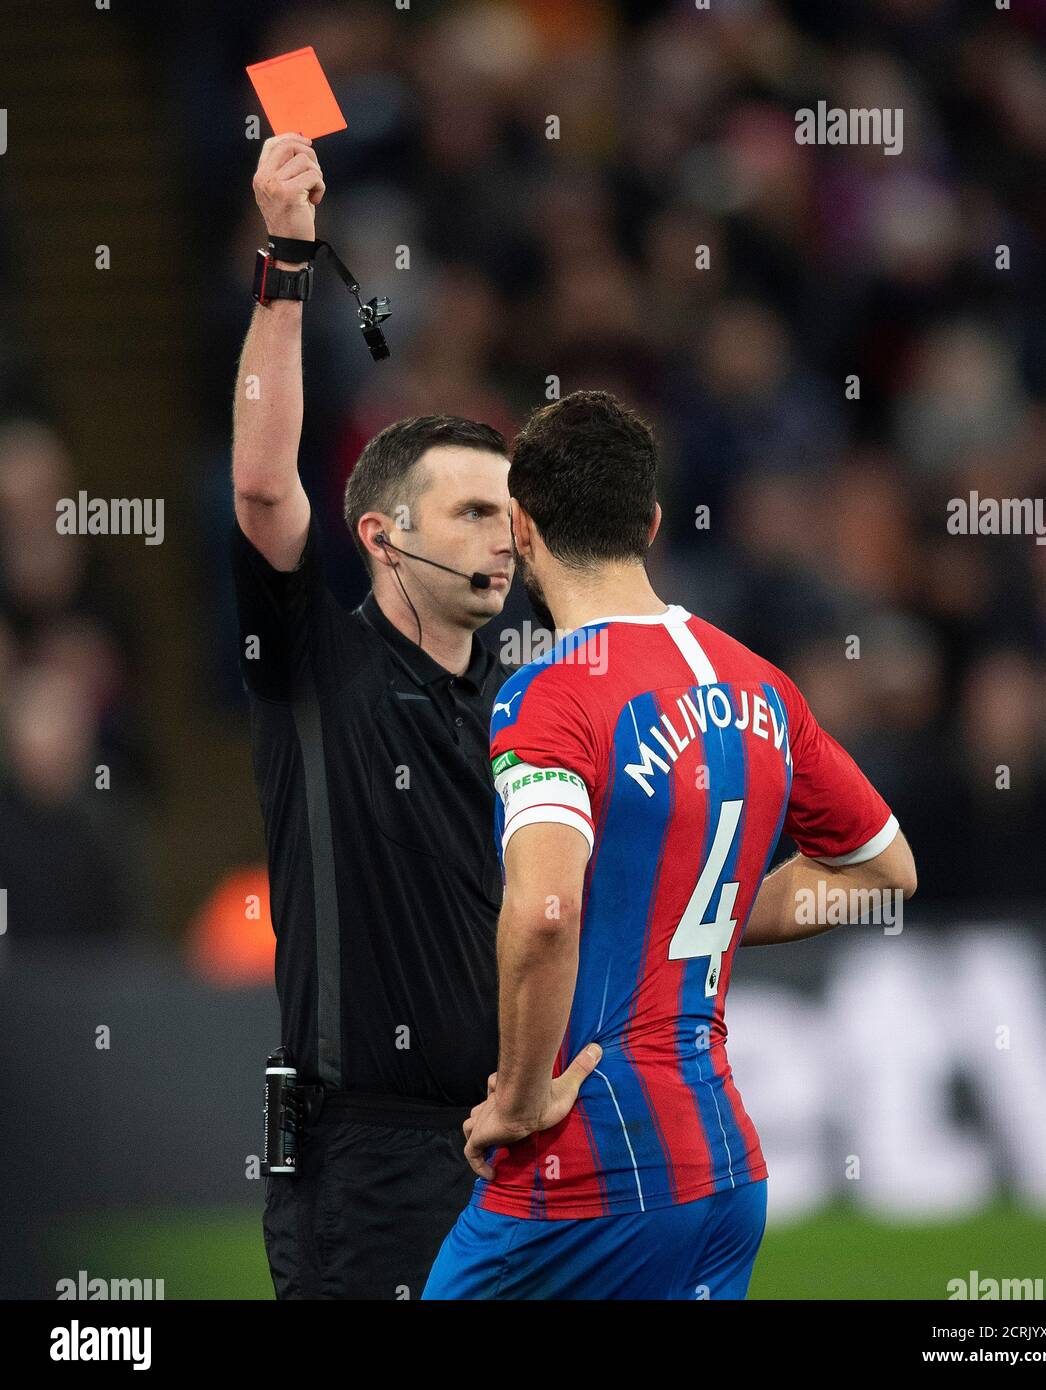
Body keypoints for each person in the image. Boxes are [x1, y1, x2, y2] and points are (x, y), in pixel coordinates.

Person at [423, 390, 917, 1300]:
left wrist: (522, 1098)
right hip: (726, 1173)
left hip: (586, 1173)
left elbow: (542, 912)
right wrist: (713, 916)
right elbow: (884, 871)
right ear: (649, 523)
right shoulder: (761, 685)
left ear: (522, 529)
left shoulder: (549, 697)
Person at [232, 132, 523, 1299]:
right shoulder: (316, 665)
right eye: (468, 512)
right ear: (381, 535)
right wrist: (288, 262)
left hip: (514, 1148)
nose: (503, 535)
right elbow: (262, 485)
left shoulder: (523, 705)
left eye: (510, 513)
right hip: (369, 1166)